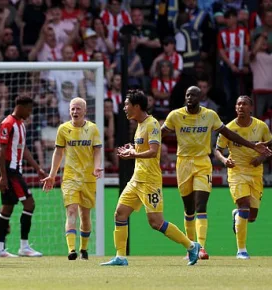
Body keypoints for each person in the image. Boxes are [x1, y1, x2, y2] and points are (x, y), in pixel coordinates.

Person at [161, 86, 270, 260]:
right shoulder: (175, 115)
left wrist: (255, 149)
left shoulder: (210, 115)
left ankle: (201, 247)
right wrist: (141, 149)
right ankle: (192, 248)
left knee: (203, 207)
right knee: (189, 209)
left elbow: (230, 134)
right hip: (183, 164)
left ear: (200, 97)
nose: (190, 98)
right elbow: (160, 135)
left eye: (193, 95)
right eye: (187, 95)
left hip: (203, 162)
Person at [101, 89, 201, 267]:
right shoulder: (139, 125)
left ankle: (191, 246)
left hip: (150, 181)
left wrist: (133, 155)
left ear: (137, 106)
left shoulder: (152, 124)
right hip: (136, 179)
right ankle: (121, 257)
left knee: (156, 223)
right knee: (120, 214)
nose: (124, 108)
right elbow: (143, 148)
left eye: (126, 104)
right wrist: (132, 149)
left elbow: (154, 151)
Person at [42, 97, 103, 260]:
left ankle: (84, 248)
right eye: (72, 109)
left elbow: (97, 150)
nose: (75, 112)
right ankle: (71, 250)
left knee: (85, 215)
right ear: (69, 111)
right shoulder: (63, 129)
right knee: (71, 211)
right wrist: (52, 175)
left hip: (88, 178)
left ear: (85, 111)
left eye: (78, 109)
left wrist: (97, 166)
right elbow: (58, 152)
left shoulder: (93, 129)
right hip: (70, 178)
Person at [214, 96, 272, 259]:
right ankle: (241, 250)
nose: (241, 106)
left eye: (244, 104)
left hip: (255, 173)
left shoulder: (261, 127)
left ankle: (237, 215)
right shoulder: (229, 128)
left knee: (251, 217)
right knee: (244, 206)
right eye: (238, 104)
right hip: (237, 171)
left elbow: (270, 145)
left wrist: (261, 158)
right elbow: (217, 149)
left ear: (251, 108)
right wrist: (225, 160)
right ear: (235, 108)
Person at [0, 96, 47, 258]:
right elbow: (1, 151)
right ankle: (24, 246)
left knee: (8, 207)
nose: (30, 113)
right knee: (29, 204)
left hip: (15, 170)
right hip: (10, 172)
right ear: (21, 107)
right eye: (29, 109)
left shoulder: (21, 125)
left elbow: (23, 150)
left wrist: (37, 168)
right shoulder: (8, 124)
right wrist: (3, 176)